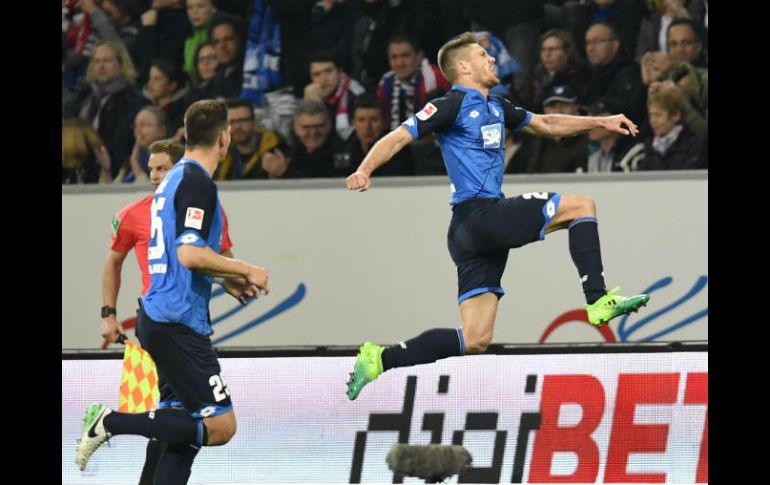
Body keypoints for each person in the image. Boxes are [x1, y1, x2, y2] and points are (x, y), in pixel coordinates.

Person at [344, 32, 650, 400]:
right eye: (482, 55)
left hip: (470, 232)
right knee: (581, 205)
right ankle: (598, 299)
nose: (491, 60)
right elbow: (398, 137)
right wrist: (365, 169)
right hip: (479, 215)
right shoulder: (450, 105)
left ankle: (379, 359)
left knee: (475, 339)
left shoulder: (498, 106)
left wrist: (599, 122)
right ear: (463, 67)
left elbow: (547, 125)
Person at [77, 100, 270, 484]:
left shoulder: (173, 182)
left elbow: (184, 254)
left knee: (182, 430)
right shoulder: (197, 182)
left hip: (162, 316)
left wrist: (226, 278)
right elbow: (189, 254)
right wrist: (247, 269)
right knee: (220, 427)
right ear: (224, 138)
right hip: (176, 322)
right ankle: (110, 421)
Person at [100, 137, 235, 484]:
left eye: (162, 168)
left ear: (178, 170)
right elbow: (113, 263)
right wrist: (108, 314)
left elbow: (219, 258)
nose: (155, 175)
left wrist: (234, 279)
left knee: (182, 418)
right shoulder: (134, 214)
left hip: (186, 322)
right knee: (200, 420)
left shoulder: (204, 207)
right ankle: (108, 423)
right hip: (165, 322)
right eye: (151, 169)